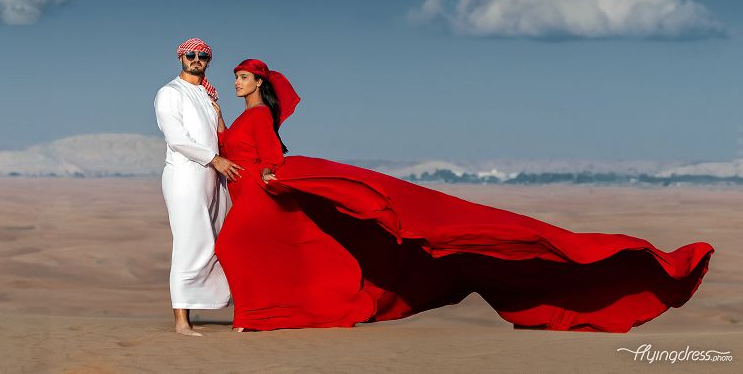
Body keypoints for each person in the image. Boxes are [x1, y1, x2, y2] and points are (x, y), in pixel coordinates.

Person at [214, 58, 713, 333]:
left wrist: (273, 178)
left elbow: (271, 156)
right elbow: (224, 145)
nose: (235, 82)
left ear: (258, 82)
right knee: (280, 255)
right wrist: (211, 117)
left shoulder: (259, 117)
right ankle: (266, 316)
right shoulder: (242, 117)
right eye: (234, 77)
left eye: (241, 77)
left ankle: (257, 318)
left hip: (260, 197)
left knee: (237, 245)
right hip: (251, 195)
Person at [153, 37, 243, 336]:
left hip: (212, 177)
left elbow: (221, 136)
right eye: (190, 55)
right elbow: (177, 139)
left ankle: (221, 306)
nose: (196, 60)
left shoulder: (207, 96)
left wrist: (218, 116)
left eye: (202, 56)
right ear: (180, 58)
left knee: (212, 242)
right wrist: (214, 160)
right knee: (189, 244)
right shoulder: (170, 93)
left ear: (208, 61)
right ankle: (181, 322)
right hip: (185, 176)